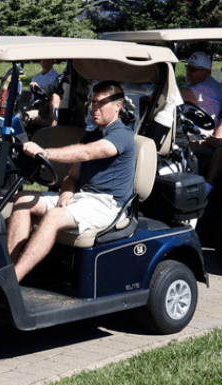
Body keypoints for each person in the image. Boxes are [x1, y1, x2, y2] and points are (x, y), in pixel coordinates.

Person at [7, 82, 138, 281]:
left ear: (117, 106)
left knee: (53, 216)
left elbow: (89, 152)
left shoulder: (122, 135)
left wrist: (46, 152)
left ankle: (12, 280)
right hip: (81, 199)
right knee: (23, 200)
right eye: (93, 102)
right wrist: (67, 191)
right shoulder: (90, 135)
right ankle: (7, 269)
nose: (95, 107)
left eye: (101, 103)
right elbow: (73, 175)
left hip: (108, 205)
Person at [179, 52, 222, 116]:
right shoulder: (189, 84)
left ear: (207, 72)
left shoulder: (212, 86)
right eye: (187, 67)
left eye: (192, 69)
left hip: (206, 124)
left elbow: (182, 94)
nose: (188, 71)